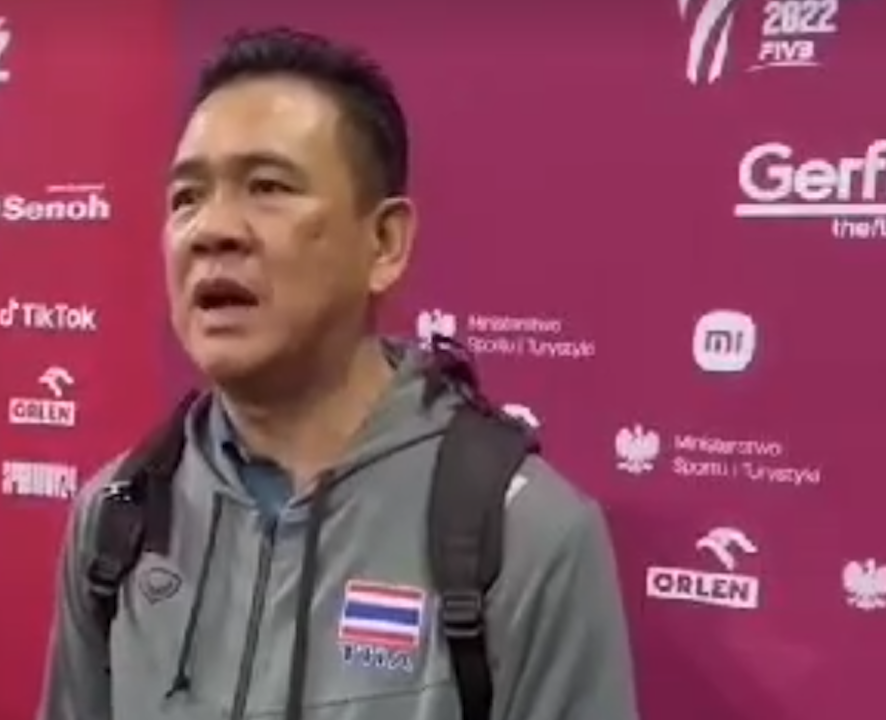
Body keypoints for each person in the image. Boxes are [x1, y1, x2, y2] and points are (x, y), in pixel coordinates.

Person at [41, 26, 639, 720]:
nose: (211, 230)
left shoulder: (523, 533)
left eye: (267, 187)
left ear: (384, 243)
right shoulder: (117, 517)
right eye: (186, 198)